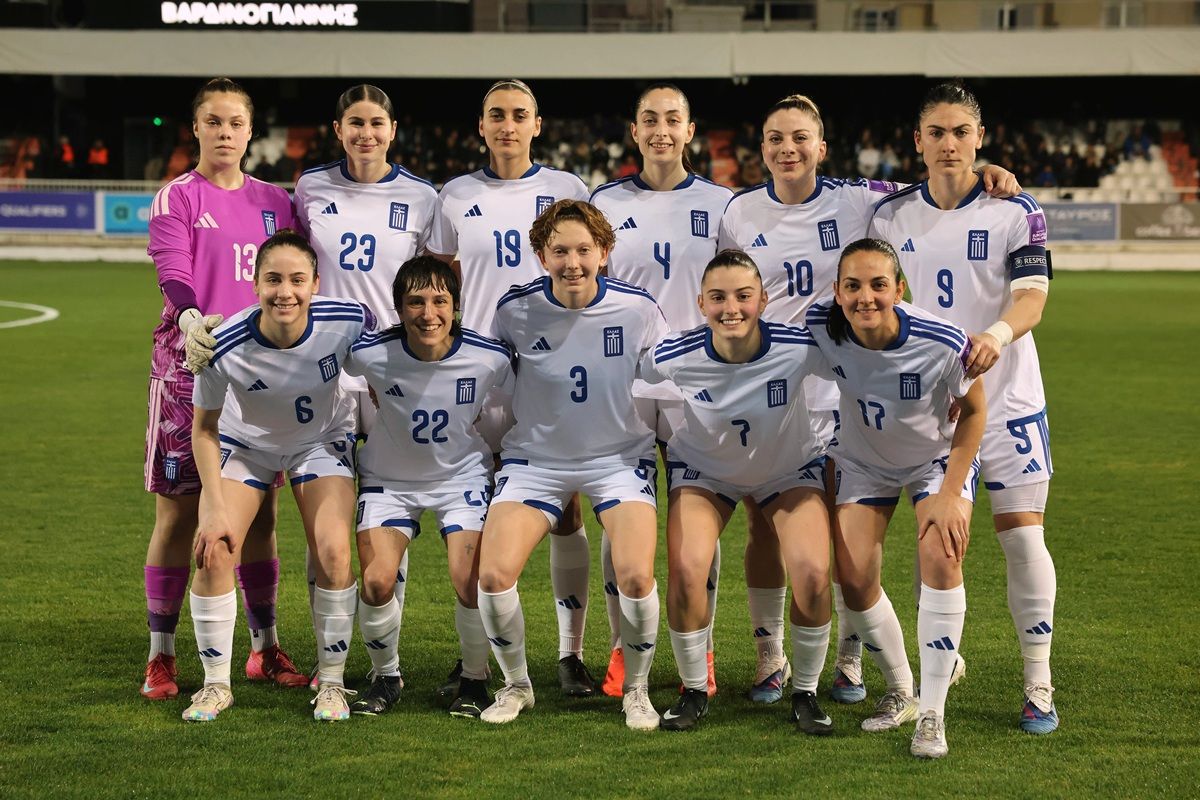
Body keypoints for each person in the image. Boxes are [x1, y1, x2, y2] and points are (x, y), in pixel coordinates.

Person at [717, 94, 1019, 706]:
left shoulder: (859, 197)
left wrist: (985, 176)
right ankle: (770, 654)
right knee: (765, 524)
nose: (788, 149)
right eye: (776, 138)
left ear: (821, 147)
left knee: (842, 529)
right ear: (763, 147)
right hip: (779, 385)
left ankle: (852, 660)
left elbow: (935, 178)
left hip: (847, 386)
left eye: (801, 137)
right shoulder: (738, 210)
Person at [869, 81, 1058, 735]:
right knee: (937, 543)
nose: (949, 144)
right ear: (917, 142)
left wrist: (996, 336)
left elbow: (1031, 298)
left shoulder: (1016, 210)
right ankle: (941, 664)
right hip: (934, 413)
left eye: (960, 132)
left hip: (1008, 401)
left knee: (1022, 535)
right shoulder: (887, 216)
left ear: (980, 138)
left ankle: (1038, 680)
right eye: (936, 133)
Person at [428, 80, 596, 699]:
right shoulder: (455, 196)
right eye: (496, 115)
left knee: (564, 508)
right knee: (474, 511)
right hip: (477, 371)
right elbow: (443, 277)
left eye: (519, 115)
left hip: (550, 369)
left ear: (537, 124)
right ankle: (476, 660)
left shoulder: (568, 190)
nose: (507, 125)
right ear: (481, 125)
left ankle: (569, 653)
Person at [476, 199, 668, 730]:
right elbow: (486, 376)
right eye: (559, 250)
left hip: (619, 460)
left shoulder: (637, 308)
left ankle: (637, 689)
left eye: (584, 250)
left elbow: (671, 375)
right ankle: (516, 685)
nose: (573, 262)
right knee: (493, 575)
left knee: (634, 575)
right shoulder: (514, 310)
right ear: (541, 255)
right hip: (536, 460)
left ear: (604, 252)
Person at [142, 77, 304, 703]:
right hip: (189, 369)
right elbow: (173, 269)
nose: (226, 133)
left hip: (260, 380)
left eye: (236, 123)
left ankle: (264, 646)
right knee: (181, 512)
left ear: (249, 131)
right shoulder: (177, 196)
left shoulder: (275, 201)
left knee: (261, 515)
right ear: (197, 129)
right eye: (214, 122)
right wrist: (187, 316)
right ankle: (161, 653)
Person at [640, 250, 836, 734]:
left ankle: (805, 692)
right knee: (687, 569)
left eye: (744, 296)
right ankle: (692, 691)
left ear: (763, 299)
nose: (732, 308)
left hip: (788, 470)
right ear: (701, 302)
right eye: (719, 297)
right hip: (705, 472)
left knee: (813, 572)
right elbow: (614, 372)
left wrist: (947, 396)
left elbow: (867, 367)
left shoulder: (799, 346)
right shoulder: (674, 354)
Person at [806, 238, 986, 759]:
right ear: (838, 292)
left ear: (898, 289)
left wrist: (952, 494)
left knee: (940, 553)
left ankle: (932, 713)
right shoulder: (823, 327)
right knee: (854, 576)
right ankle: (902, 687)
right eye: (854, 286)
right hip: (863, 461)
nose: (866, 297)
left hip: (933, 461)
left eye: (878, 285)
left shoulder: (940, 340)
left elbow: (974, 411)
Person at [186, 230, 374, 722]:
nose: (284, 291)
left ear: (315, 283)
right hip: (245, 446)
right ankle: (214, 686)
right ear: (254, 284)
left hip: (319, 441)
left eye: (296, 279)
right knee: (214, 550)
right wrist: (212, 504)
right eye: (272, 279)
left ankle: (331, 683)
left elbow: (389, 364)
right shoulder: (221, 343)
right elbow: (203, 429)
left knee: (333, 549)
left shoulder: (348, 320)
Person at [590, 82, 731, 699]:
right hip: (623, 384)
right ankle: (623, 647)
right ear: (634, 131)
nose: (661, 130)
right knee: (618, 519)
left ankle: (701, 653)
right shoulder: (603, 202)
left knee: (697, 519)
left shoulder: (726, 206)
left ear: (690, 129)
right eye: (650, 120)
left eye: (673, 119)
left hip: (701, 384)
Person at [294, 84, 439, 683]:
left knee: (386, 503)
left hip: (391, 372)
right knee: (321, 509)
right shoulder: (309, 188)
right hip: (323, 367)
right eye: (355, 122)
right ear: (339, 129)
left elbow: (433, 284)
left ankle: (387, 659)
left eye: (376, 123)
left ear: (393, 128)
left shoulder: (422, 197)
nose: (366, 133)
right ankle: (329, 651)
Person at [340, 256, 512, 718]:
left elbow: (524, 399)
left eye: (440, 300)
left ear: (456, 305)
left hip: (462, 479)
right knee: (377, 581)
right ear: (398, 308)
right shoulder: (370, 353)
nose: (428, 313)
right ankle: (386, 676)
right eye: (415, 302)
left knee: (470, 580)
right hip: (389, 481)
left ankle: (475, 679)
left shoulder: (489, 356)